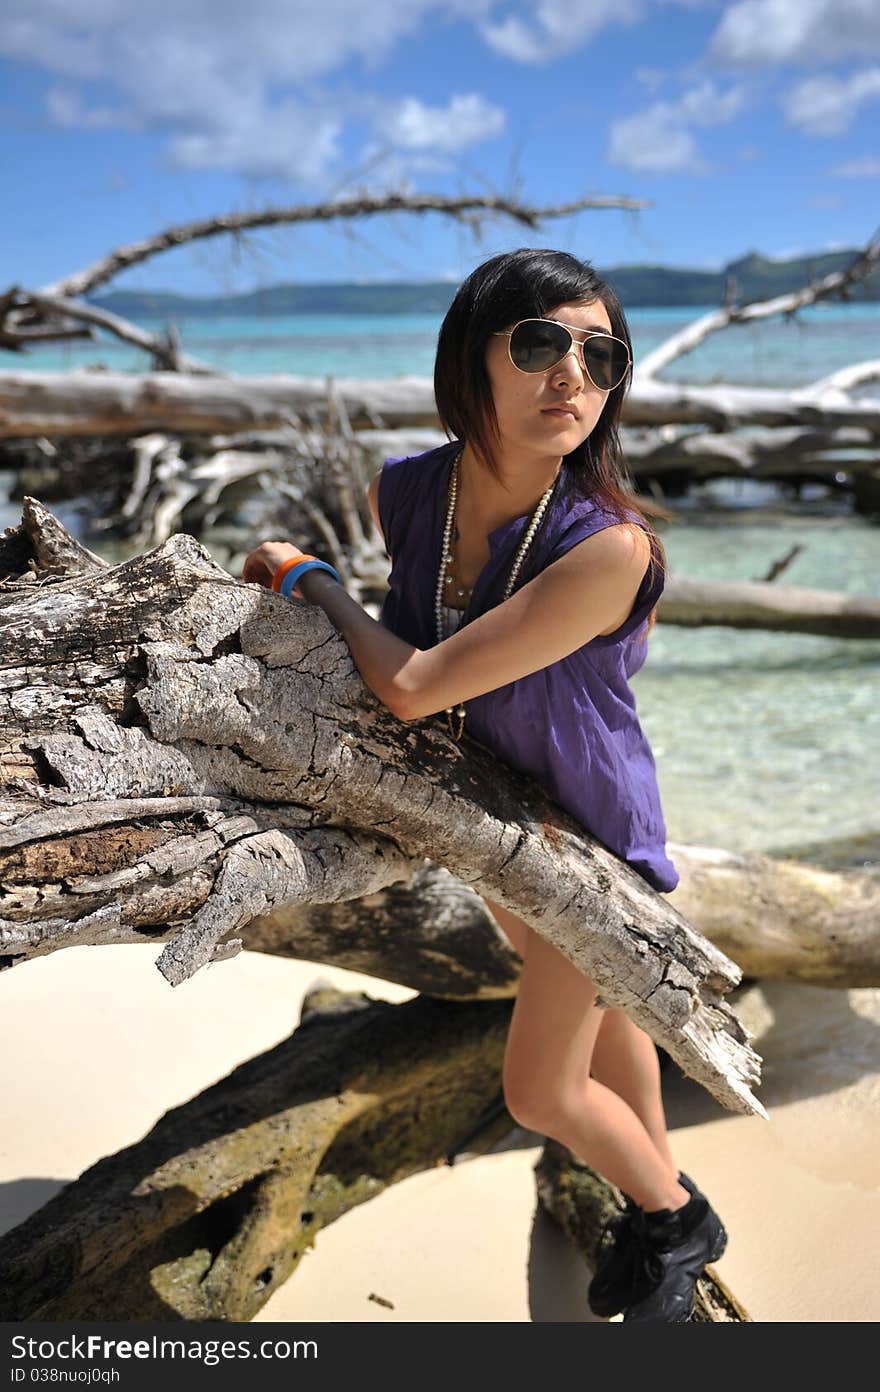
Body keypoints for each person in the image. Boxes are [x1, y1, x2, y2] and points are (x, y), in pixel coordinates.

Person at [242, 247, 727, 1323]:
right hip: (485, 802)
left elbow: (413, 682)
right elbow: (421, 629)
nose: (573, 376)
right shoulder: (407, 490)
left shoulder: (610, 549)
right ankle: (648, 1205)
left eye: (601, 356)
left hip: (576, 832)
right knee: (606, 1017)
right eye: (542, 343)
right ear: (474, 353)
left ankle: (676, 1214)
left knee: (538, 1090)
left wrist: (307, 579)